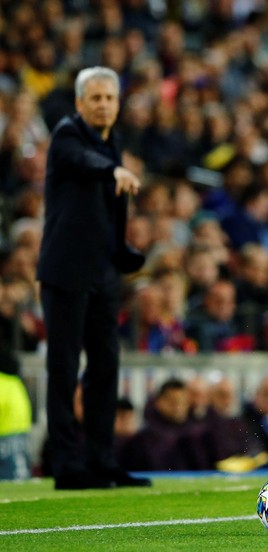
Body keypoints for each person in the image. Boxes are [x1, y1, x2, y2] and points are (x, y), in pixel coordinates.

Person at [36, 66, 151, 490]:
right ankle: (66, 465)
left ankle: (102, 461)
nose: (103, 104)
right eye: (96, 98)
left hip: (103, 271)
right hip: (65, 271)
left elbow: (109, 207)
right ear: (80, 103)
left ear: (118, 104)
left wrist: (122, 252)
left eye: (110, 98)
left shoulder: (112, 140)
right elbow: (82, 162)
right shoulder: (68, 135)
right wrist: (112, 171)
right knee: (63, 368)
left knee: (105, 367)